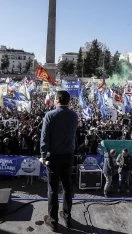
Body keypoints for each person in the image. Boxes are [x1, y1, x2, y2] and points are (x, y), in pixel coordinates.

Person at [40, 90, 78, 232]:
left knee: (53, 190)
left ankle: (53, 221)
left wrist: (43, 156)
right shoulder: (74, 115)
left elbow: (44, 139)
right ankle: (67, 219)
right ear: (68, 101)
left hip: (54, 157)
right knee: (68, 188)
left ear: (57, 100)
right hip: (68, 156)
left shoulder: (50, 115)